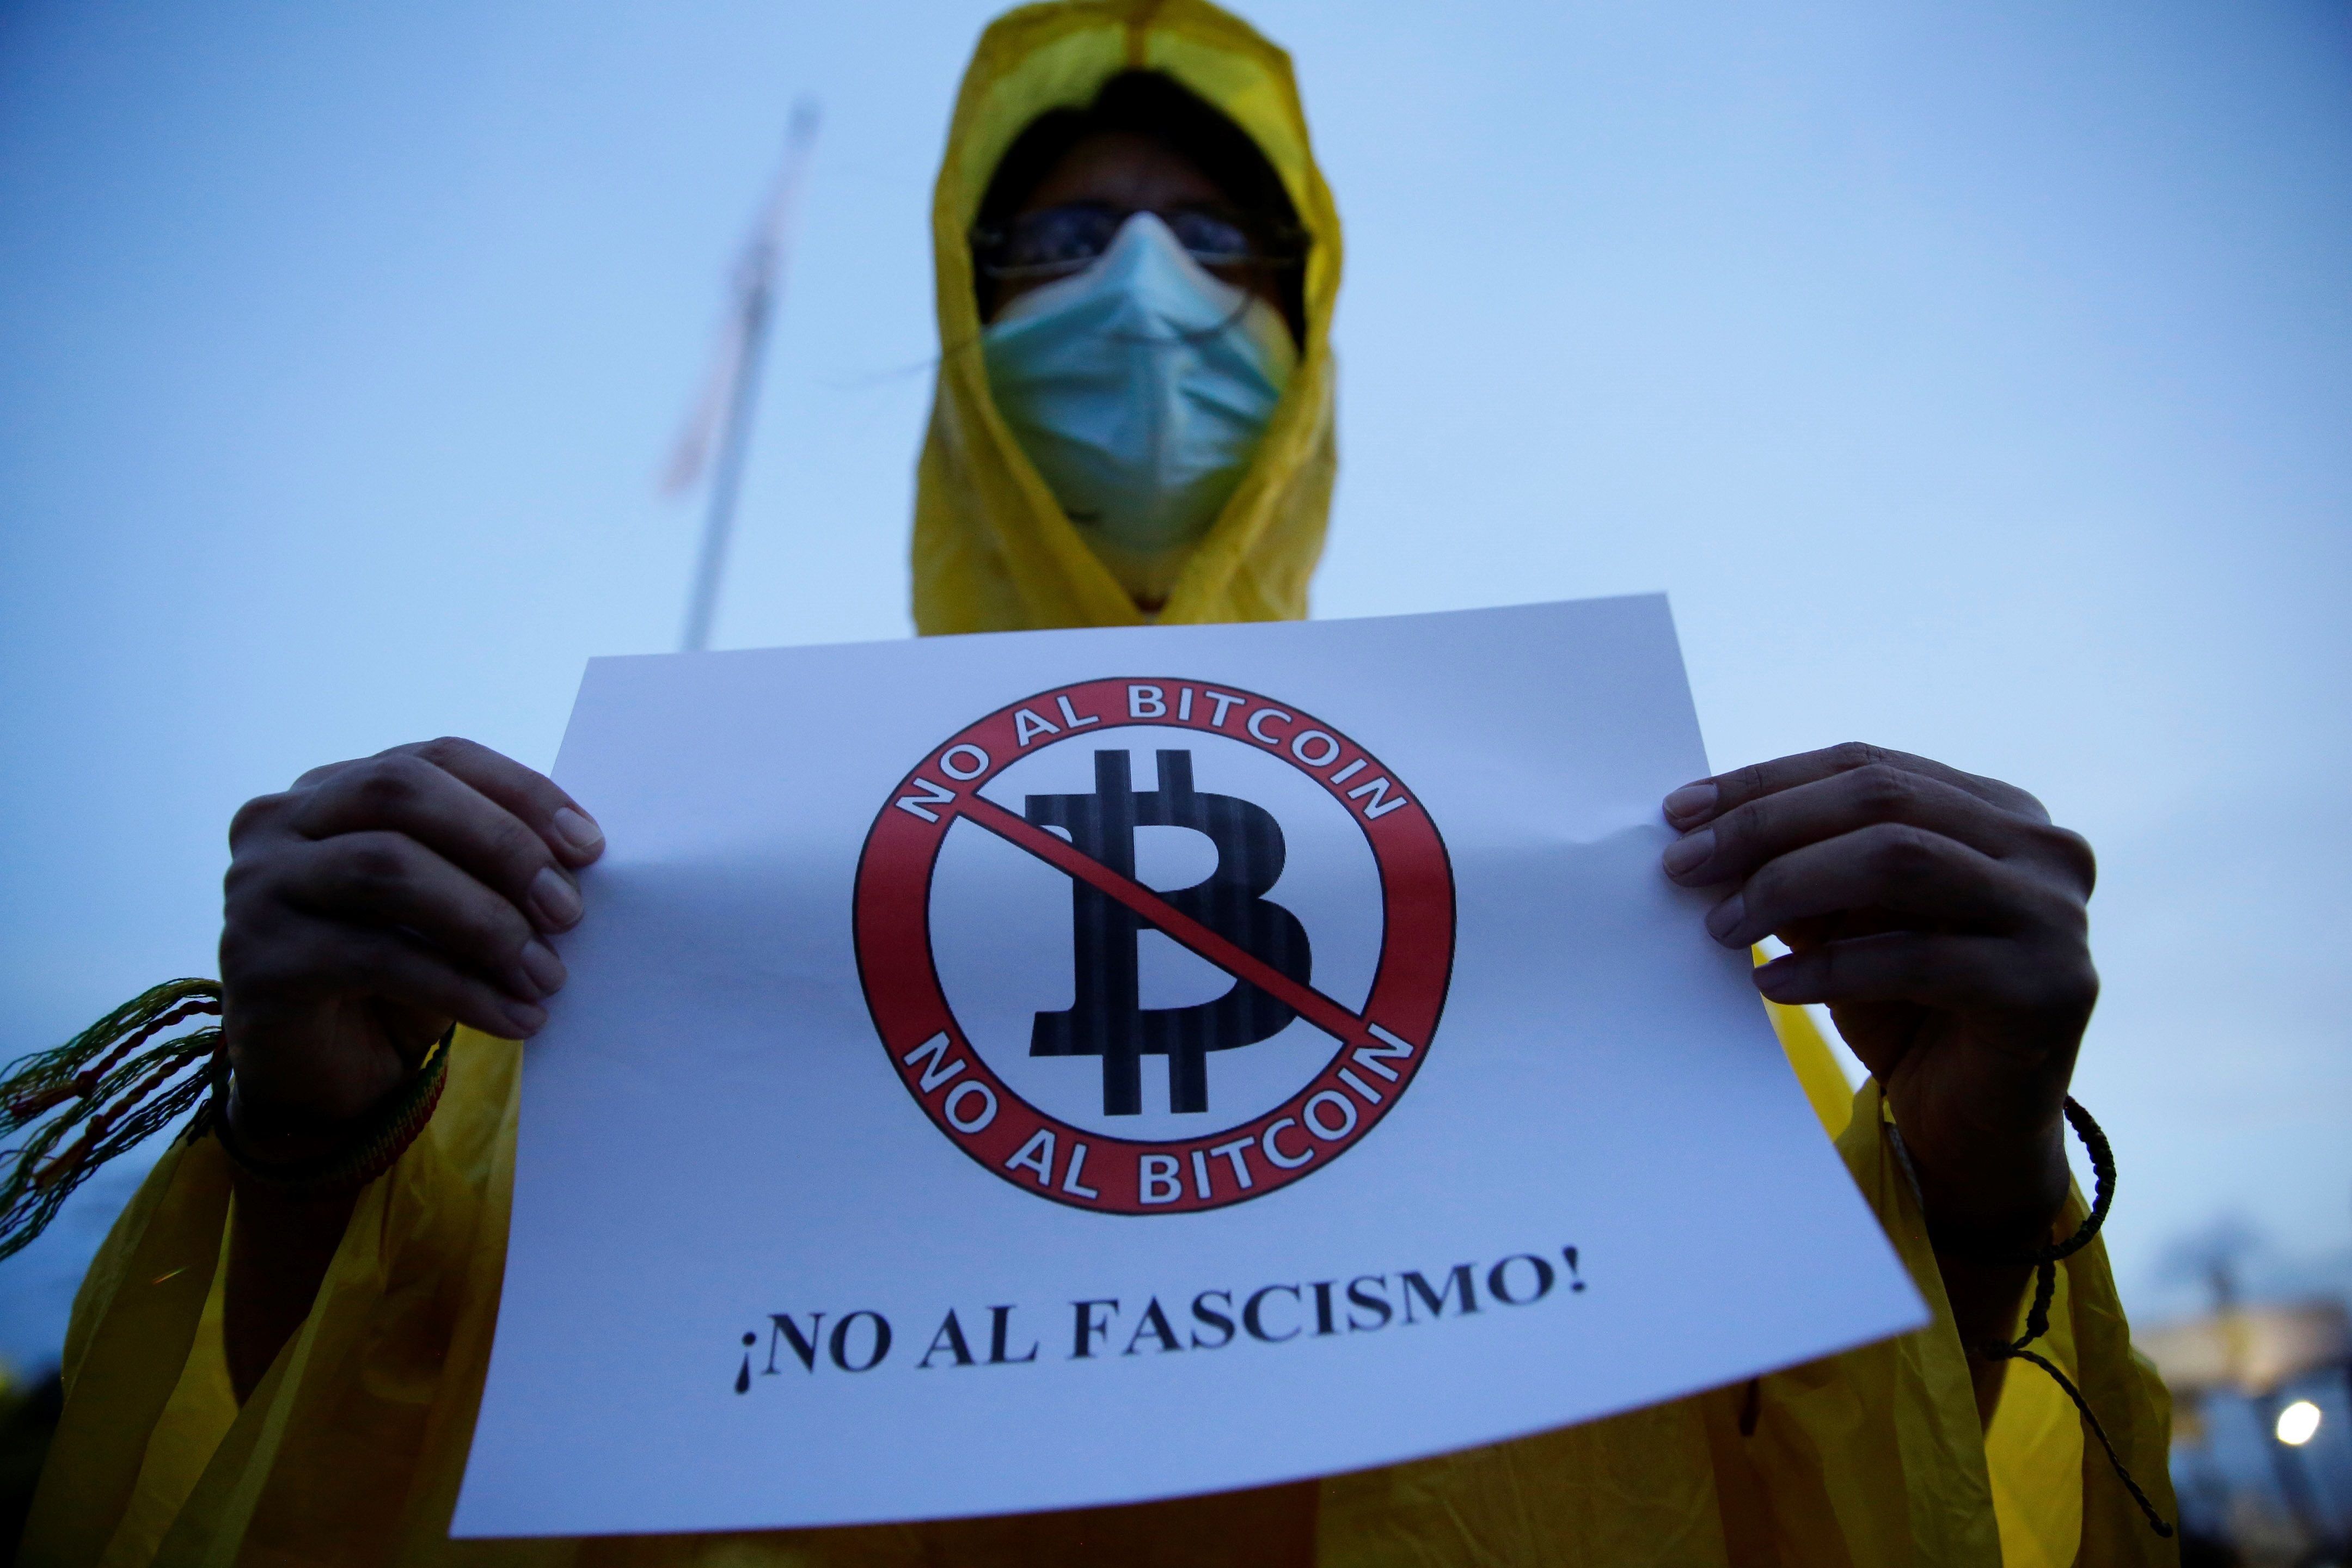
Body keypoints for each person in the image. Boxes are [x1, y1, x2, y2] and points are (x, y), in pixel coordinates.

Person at [20, 2, 2173, 1564]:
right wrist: (316, 1137)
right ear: (956, 342)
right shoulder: (650, 917)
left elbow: (1845, 1476)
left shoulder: (1614, 935)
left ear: (1310, 335)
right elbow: (386, 1445)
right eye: (1056, 245)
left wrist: (1974, 1184)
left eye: (1218, 243)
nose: (1146, 299)